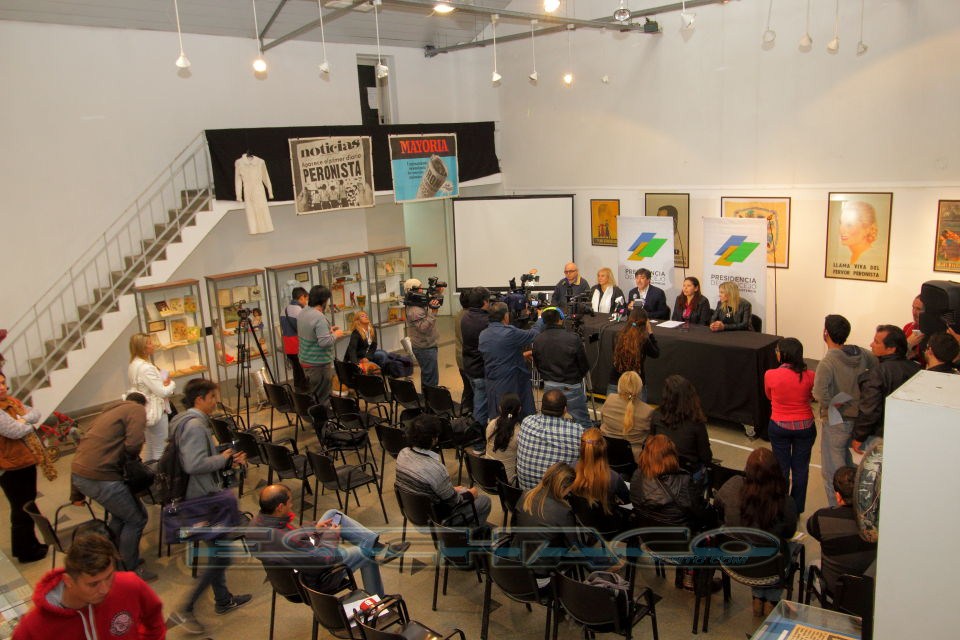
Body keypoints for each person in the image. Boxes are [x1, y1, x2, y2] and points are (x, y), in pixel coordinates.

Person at [168, 379, 250, 635]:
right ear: (199, 399)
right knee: (220, 555)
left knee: (218, 551)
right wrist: (222, 459)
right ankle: (187, 608)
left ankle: (223, 599)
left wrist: (225, 460)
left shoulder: (183, 422)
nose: (216, 401)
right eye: (213, 397)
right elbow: (194, 464)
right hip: (202, 498)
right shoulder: (194, 426)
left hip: (200, 495)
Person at [250, 484, 407, 597]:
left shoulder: (256, 524)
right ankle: (377, 602)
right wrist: (331, 535)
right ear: (279, 507)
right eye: (290, 502)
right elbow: (325, 559)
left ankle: (378, 547)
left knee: (334, 515)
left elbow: (295, 539)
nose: (292, 504)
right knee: (365, 552)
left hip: (299, 563)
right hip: (316, 577)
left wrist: (314, 528)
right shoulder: (286, 540)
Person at [12, 533, 165, 640]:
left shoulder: (130, 584)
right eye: (93, 584)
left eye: (109, 576)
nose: (105, 589)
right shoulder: (33, 627)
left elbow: (154, 619)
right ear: (68, 581)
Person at [70, 393, 155, 581]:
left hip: (82, 476)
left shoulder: (107, 412)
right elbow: (134, 444)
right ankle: (130, 569)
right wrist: (131, 462)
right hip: (102, 477)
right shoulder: (136, 409)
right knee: (137, 518)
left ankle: (114, 561)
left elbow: (84, 450)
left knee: (120, 516)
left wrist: (76, 494)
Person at [716, 448, 798, 617]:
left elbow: (717, 507)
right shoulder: (785, 502)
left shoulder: (732, 485)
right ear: (776, 472)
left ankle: (758, 596)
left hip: (735, 562)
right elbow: (789, 532)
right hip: (771, 569)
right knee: (784, 548)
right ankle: (770, 600)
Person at [812, 314, 876, 507]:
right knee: (850, 468)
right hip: (859, 418)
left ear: (825, 333)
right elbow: (877, 365)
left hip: (836, 421)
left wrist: (832, 404)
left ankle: (837, 511)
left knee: (833, 473)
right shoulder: (862, 354)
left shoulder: (827, 363)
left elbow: (819, 393)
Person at [395, 414, 492, 526]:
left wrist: (453, 490)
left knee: (459, 490)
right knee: (484, 501)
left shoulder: (402, 453)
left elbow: (428, 488)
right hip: (436, 519)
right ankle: (466, 533)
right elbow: (455, 502)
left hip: (412, 512)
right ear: (433, 439)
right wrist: (471, 494)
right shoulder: (436, 469)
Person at [0, 372, 50, 563]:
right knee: (22, 508)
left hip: (23, 462)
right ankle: (25, 551)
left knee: (27, 504)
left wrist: (23, 420)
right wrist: (27, 423)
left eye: (3, 383)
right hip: (11, 467)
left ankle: (30, 545)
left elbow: (35, 412)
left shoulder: (11, 402)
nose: (2, 387)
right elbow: (15, 431)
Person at [806, 467, 878, 598]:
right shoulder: (876, 522)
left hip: (834, 591)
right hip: (868, 592)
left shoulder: (821, 518)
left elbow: (812, 530)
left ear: (838, 496)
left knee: (811, 565)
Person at [765, 338, 816, 514]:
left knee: (781, 469)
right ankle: (797, 508)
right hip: (805, 427)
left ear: (783, 354)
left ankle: (782, 507)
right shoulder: (810, 376)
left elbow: (769, 396)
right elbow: (812, 396)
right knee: (801, 469)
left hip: (779, 426)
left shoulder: (770, 375)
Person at [851, 324, 921, 453]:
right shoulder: (917, 369)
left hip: (880, 436)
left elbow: (869, 409)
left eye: (876, 342)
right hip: (909, 434)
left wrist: (859, 436)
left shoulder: (876, 373)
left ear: (891, 349)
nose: (871, 344)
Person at [513, 462, 579, 581]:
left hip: (517, 567)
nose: (568, 494)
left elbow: (514, 529)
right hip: (543, 576)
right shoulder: (564, 512)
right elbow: (574, 548)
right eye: (569, 490)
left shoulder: (525, 495)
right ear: (562, 488)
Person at [478, 302, 545, 419]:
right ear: (506, 316)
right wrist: (540, 317)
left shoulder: (483, 334)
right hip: (511, 382)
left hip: (492, 382)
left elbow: (499, 353)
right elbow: (533, 334)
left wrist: (521, 355)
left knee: (498, 416)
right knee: (514, 414)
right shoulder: (509, 333)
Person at [630, 434, 709, 530]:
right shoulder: (683, 482)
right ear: (672, 456)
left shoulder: (637, 475)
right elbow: (699, 512)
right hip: (677, 534)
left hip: (645, 532)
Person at [532, 307, 591, 427]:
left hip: (549, 385)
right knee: (582, 422)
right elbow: (584, 365)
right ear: (560, 319)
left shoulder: (538, 339)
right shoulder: (573, 338)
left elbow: (537, 364)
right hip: (571, 385)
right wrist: (576, 378)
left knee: (550, 421)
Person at [515, 390, 584, 490]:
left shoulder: (527, 422)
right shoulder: (577, 432)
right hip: (558, 497)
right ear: (565, 410)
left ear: (541, 407)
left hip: (524, 494)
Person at [650, 374, 712, 476]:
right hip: (686, 476)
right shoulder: (696, 423)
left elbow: (651, 443)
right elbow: (706, 457)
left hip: (660, 471)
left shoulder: (656, 415)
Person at [127, 333, 176, 462]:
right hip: (156, 410)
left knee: (150, 446)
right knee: (160, 448)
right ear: (142, 347)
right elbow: (163, 392)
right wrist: (171, 384)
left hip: (145, 409)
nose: (153, 345)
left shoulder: (133, 364)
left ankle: (149, 470)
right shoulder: (146, 368)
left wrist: (162, 378)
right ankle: (160, 472)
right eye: (149, 343)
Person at [298, 285, 343, 405]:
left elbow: (311, 333)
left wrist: (328, 331)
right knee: (323, 398)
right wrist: (336, 334)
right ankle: (323, 417)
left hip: (306, 360)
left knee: (314, 394)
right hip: (318, 364)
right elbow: (324, 343)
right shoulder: (319, 317)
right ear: (324, 300)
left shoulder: (304, 312)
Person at [569, 428, 629, 517]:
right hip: (606, 520)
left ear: (581, 447)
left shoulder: (571, 468)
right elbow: (627, 500)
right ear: (603, 447)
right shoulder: (614, 477)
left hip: (579, 518)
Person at [600, 371, 653, 459]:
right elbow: (649, 436)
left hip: (606, 455)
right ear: (640, 388)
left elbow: (602, 422)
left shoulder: (610, 399)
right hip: (634, 459)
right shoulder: (648, 411)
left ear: (619, 386)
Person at [609, 307, 660, 399]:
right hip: (636, 384)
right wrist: (650, 332)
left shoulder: (617, 335)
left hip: (616, 381)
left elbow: (614, 353)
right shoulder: (644, 339)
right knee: (638, 409)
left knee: (614, 407)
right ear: (645, 323)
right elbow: (656, 353)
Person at [461, 286, 492, 424]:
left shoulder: (465, 316)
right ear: (485, 302)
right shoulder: (486, 321)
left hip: (469, 366)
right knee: (481, 406)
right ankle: (478, 435)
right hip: (480, 370)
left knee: (477, 401)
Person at [404, 278, 442, 388]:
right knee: (431, 379)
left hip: (426, 345)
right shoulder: (414, 310)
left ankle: (427, 396)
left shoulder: (415, 302)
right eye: (419, 288)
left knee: (428, 375)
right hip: (424, 347)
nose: (422, 290)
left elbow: (429, 301)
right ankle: (430, 397)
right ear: (412, 290)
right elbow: (423, 328)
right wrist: (433, 312)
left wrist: (438, 293)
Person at [485, 393, 522, 484]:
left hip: (486, 476)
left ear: (500, 408)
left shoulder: (491, 424)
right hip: (506, 481)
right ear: (519, 409)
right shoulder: (519, 432)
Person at [280, 286, 308, 390]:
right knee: (301, 369)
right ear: (301, 297)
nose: (306, 302)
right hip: (297, 343)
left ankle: (298, 390)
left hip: (287, 344)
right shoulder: (300, 311)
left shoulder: (284, 310)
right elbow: (305, 329)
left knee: (296, 368)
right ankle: (304, 390)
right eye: (306, 299)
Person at [838, 200, 879, 265]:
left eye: (849, 225)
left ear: (867, 229)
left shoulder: (871, 259)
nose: (841, 230)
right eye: (841, 223)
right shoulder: (851, 256)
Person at [453, 290, 474, 417]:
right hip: (468, 359)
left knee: (467, 389)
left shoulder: (459, 314)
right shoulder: (469, 318)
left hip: (460, 357)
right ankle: (469, 415)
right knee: (471, 389)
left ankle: (464, 413)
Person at [903, 295, 925, 363]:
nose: (914, 312)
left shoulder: (936, 332)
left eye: (919, 309)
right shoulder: (908, 327)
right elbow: (896, 356)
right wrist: (908, 343)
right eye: (913, 308)